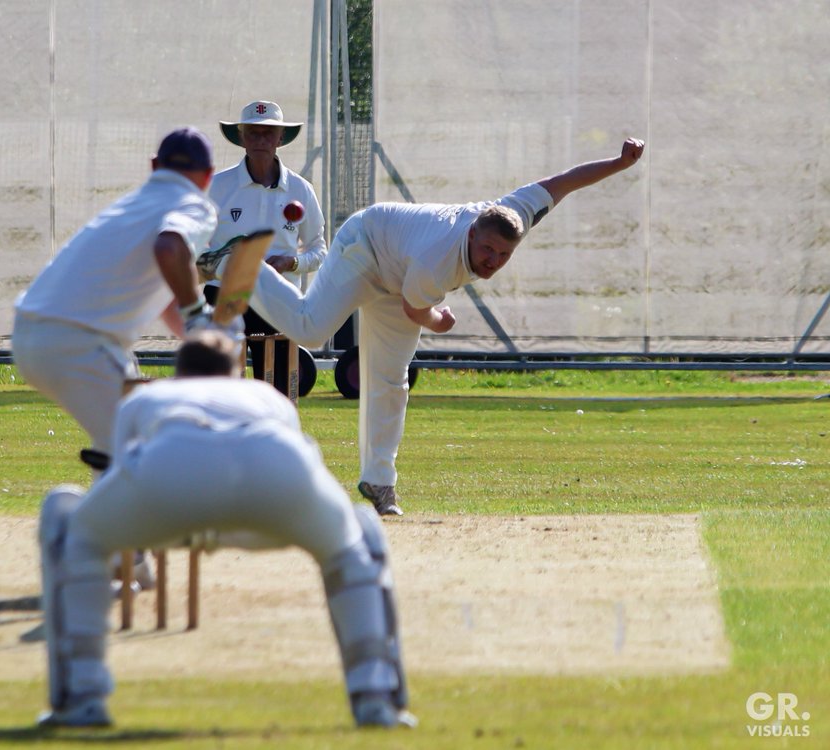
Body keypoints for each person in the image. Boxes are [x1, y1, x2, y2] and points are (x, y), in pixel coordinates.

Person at [237, 137, 646, 516]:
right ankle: (243, 267)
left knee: (391, 380)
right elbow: (418, 311)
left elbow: (565, 182)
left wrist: (619, 162)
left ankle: (378, 483)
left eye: (503, 254)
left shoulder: (515, 212)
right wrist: (441, 322)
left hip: (401, 273)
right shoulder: (437, 261)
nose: (492, 260)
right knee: (310, 328)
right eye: (486, 249)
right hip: (366, 246)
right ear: (472, 233)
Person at [36, 330, 416, 730]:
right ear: (232, 374)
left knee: (68, 524)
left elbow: (116, 469)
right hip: (274, 468)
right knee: (357, 539)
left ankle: (81, 696)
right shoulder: (265, 395)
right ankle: (376, 698)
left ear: (179, 374)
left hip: (171, 474)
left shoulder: (148, 397)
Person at [12, 126, 233, 459]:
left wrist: (202, 340)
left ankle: (89, 506)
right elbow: (170, 248)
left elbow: (166, 287)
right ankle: (76, 513)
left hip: (32, 334)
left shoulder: (132, 204)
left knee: (125, 450)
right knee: (147, 453)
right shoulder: (195, 206)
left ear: (154, 165)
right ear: (208, 176)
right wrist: (199, 317)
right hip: (79, 344)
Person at [200, 100, 327, 392]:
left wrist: (290, 263)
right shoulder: (217, 187)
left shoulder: (300, 189)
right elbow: (194, 247)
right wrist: (225, 265)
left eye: (268, 133)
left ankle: (273, 436)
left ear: (280, 139)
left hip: (279, 299)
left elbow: (318, 249)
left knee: (278, 390)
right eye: (253, 133)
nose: (261, 140)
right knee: (220, 389)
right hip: (225, 295)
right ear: (241, 137)